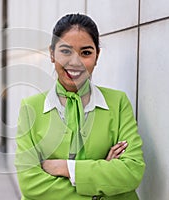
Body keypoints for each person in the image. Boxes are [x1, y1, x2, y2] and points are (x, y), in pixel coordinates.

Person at [15, 13, 145, 200]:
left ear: (97, 55)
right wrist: (100, 189)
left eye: (85, 53)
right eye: (66, 51)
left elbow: (132, 172)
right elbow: (30, 185)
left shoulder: (118, 103)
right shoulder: (31, 109)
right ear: (52, 54)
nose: (75, 62)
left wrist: (65, 168)